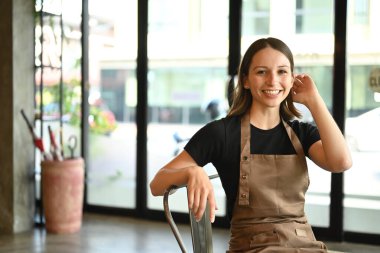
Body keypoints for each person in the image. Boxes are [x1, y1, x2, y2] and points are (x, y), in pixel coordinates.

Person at [150, 37, 352, 252]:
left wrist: (314, 100)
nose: (273, 81)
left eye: (282, 72)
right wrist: (190, 172)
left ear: (292, 79)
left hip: (305, 245)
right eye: (262, 72)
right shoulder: (222, 133)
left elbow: (341, 162)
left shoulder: (301, 133)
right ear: (245, 80)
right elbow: (156, 185)